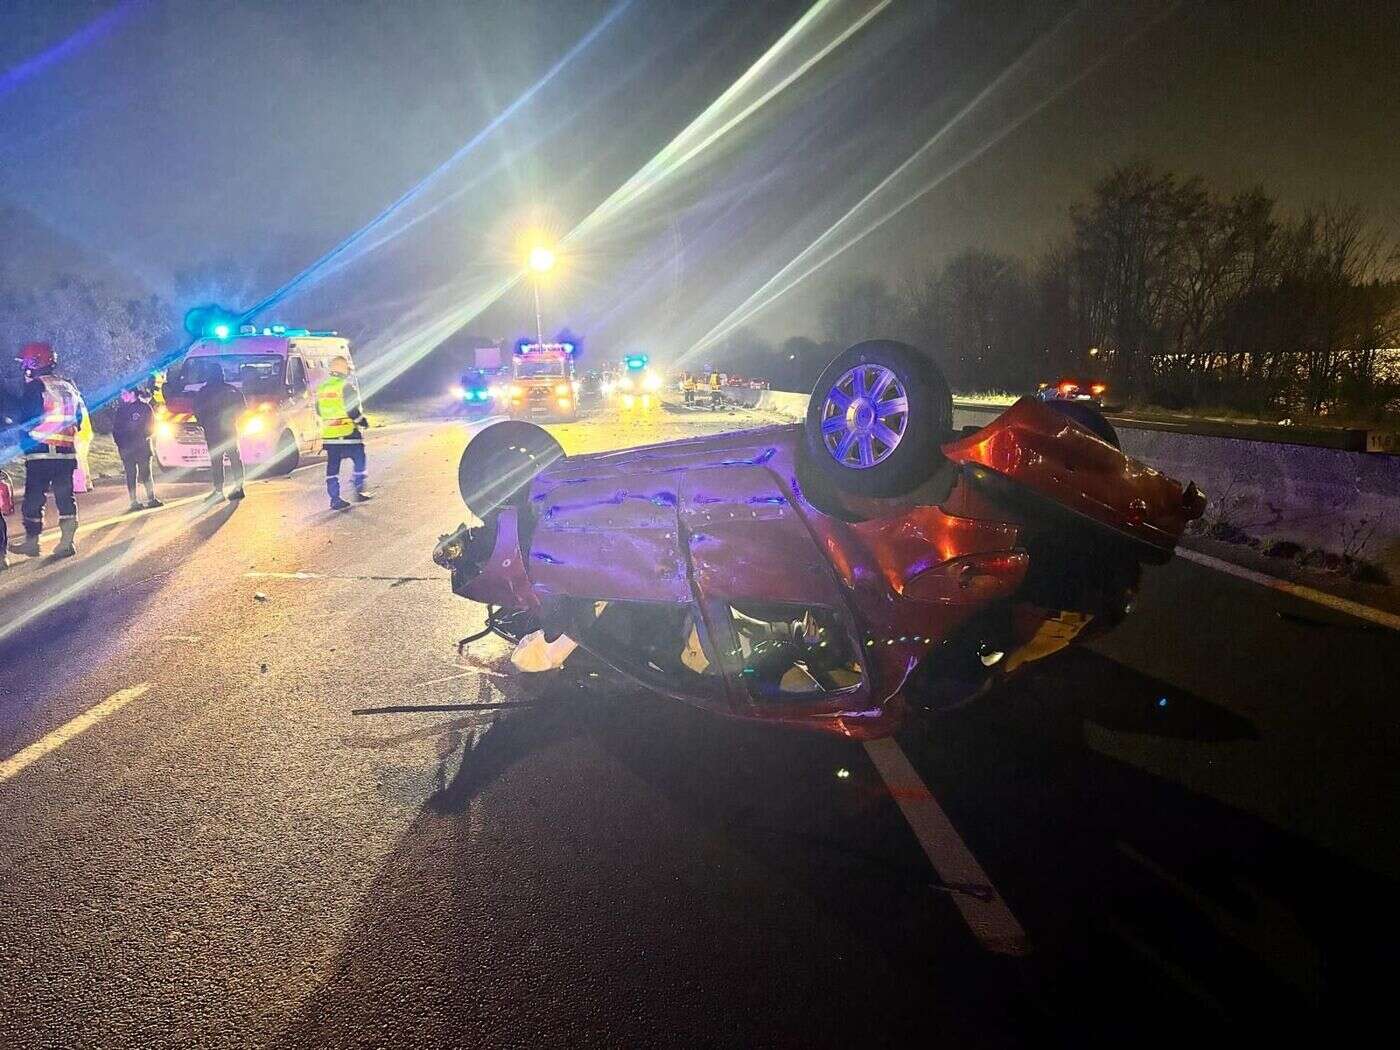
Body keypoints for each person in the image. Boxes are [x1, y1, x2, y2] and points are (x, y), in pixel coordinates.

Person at [8, 342, 87, 559]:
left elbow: (28, 420)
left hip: (41, 452)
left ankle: (32, 543)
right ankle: (67, 543)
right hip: (66, 453)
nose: (24, 368)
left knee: (34, 499)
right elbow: (79, 418)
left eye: (26, 363)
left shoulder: (36, 387)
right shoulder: (68, 386)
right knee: (65, 498)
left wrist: (23, 435)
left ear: (35, 362)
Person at [316, 355, 372, 510]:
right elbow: (352, 410)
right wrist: (363, 421)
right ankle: (359, 489)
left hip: (330, 436)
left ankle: (334, 498)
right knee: (360, 459)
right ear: (344, 370)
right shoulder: (345, 387)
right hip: (348, 434)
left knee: (332, 468)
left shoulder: (322, 388)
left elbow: (319, 411)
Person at [190, 359, 246, 501]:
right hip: (229, 429)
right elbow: (242, 408)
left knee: (216, 460)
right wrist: (231, 419)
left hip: (212, 431)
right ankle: (239, 487)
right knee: (234, 457)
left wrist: (204, 423)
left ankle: (218, 491)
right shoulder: (231, 390)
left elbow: (197, 411)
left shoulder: (203, 392)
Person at [111, 385, 161, 512]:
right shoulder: (121, 411)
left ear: (132, 393)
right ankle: (133, 501)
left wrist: (141, 437)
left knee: (146, 474)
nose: (122, 396)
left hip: (142, 447)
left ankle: (151, 498)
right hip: (127, 448)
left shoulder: (145, 408)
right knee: (131, 474)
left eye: (124, 393)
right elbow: (116, 430)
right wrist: (121, 444)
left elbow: (152, 427)